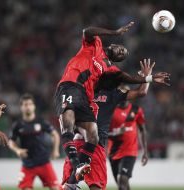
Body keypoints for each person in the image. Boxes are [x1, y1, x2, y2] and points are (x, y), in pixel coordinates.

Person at [55, 22, 170, 184]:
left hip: (98, 145)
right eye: (122, 48)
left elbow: (134, 85)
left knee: (92, 137)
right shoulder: (95, 46)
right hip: (74, 104)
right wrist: (115, 32)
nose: (122, 51)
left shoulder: (112, 90)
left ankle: (75, 174)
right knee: (69, 127)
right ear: (113, 44)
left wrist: (148, 78)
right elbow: (87, 31)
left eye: (123, 53)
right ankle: (74, 174)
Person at [62, 59, 153, 190]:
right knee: (95, 186)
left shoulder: (81, 89)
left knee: (69, 186)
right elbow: (141, 92)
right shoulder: (113, 94)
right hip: (95, 146)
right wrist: (146, 77)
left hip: (77, 143)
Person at [9, 94, 60, 190]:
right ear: (21, 107)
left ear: (34, 106)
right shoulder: (17, 125)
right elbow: (11, 141)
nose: (28, 107)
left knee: (55, 188)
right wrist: (17, 150)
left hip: (43, 162)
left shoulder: (41, 122)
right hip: (28, 164)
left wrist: (55, 150)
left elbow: (55, 135)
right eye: (25, 104)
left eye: (30, 104)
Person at [108, 91, 148, 190]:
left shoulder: (136, 110)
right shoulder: (110, 111)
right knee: (122, 185)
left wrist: (145, 152)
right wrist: (116, 133)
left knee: (122, 180)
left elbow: (142, 130)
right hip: (113, 152)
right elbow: (103, 133)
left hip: (130, 152)